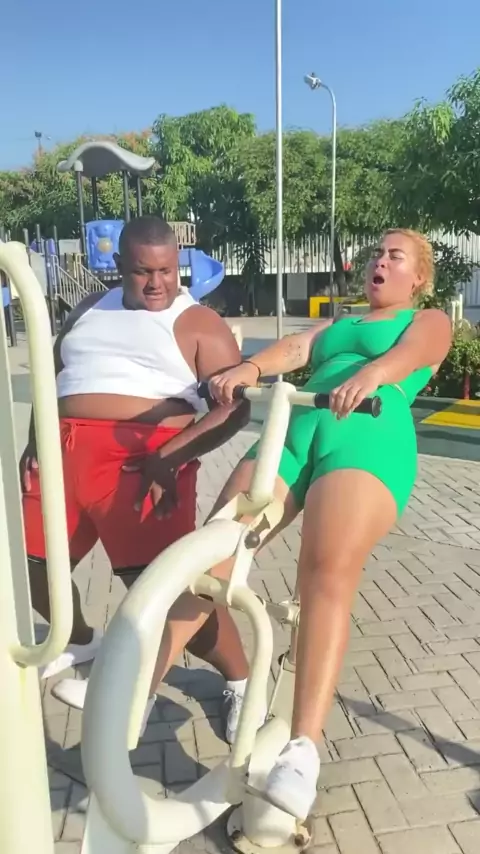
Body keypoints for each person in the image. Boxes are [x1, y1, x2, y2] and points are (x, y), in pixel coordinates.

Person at [58, 227, 448, 817]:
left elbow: (418, 352)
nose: (380, 261)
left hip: (367, 432)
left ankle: (302, 752)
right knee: (208, 560)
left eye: (395, 256)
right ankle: (134, 695)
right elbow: (294, 351)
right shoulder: (339, 324)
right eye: (377, 252)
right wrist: (247, 370)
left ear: (417, 276)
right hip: (295, 429)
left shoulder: (425, 319)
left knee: (323, 574)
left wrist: (373, 375)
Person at [22, 215, 255, 740]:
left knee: (165, 594)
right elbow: (50, 377)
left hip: (144, 464)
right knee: (35, 569)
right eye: (142, 272)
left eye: (167, 270)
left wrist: (169, 457)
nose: (156, 283)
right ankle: (81, 640)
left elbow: (236, 409)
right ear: (118, 266)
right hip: (63, 454)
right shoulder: (87, 309)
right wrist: (35, 441)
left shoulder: (199, 323)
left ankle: (240, 679)